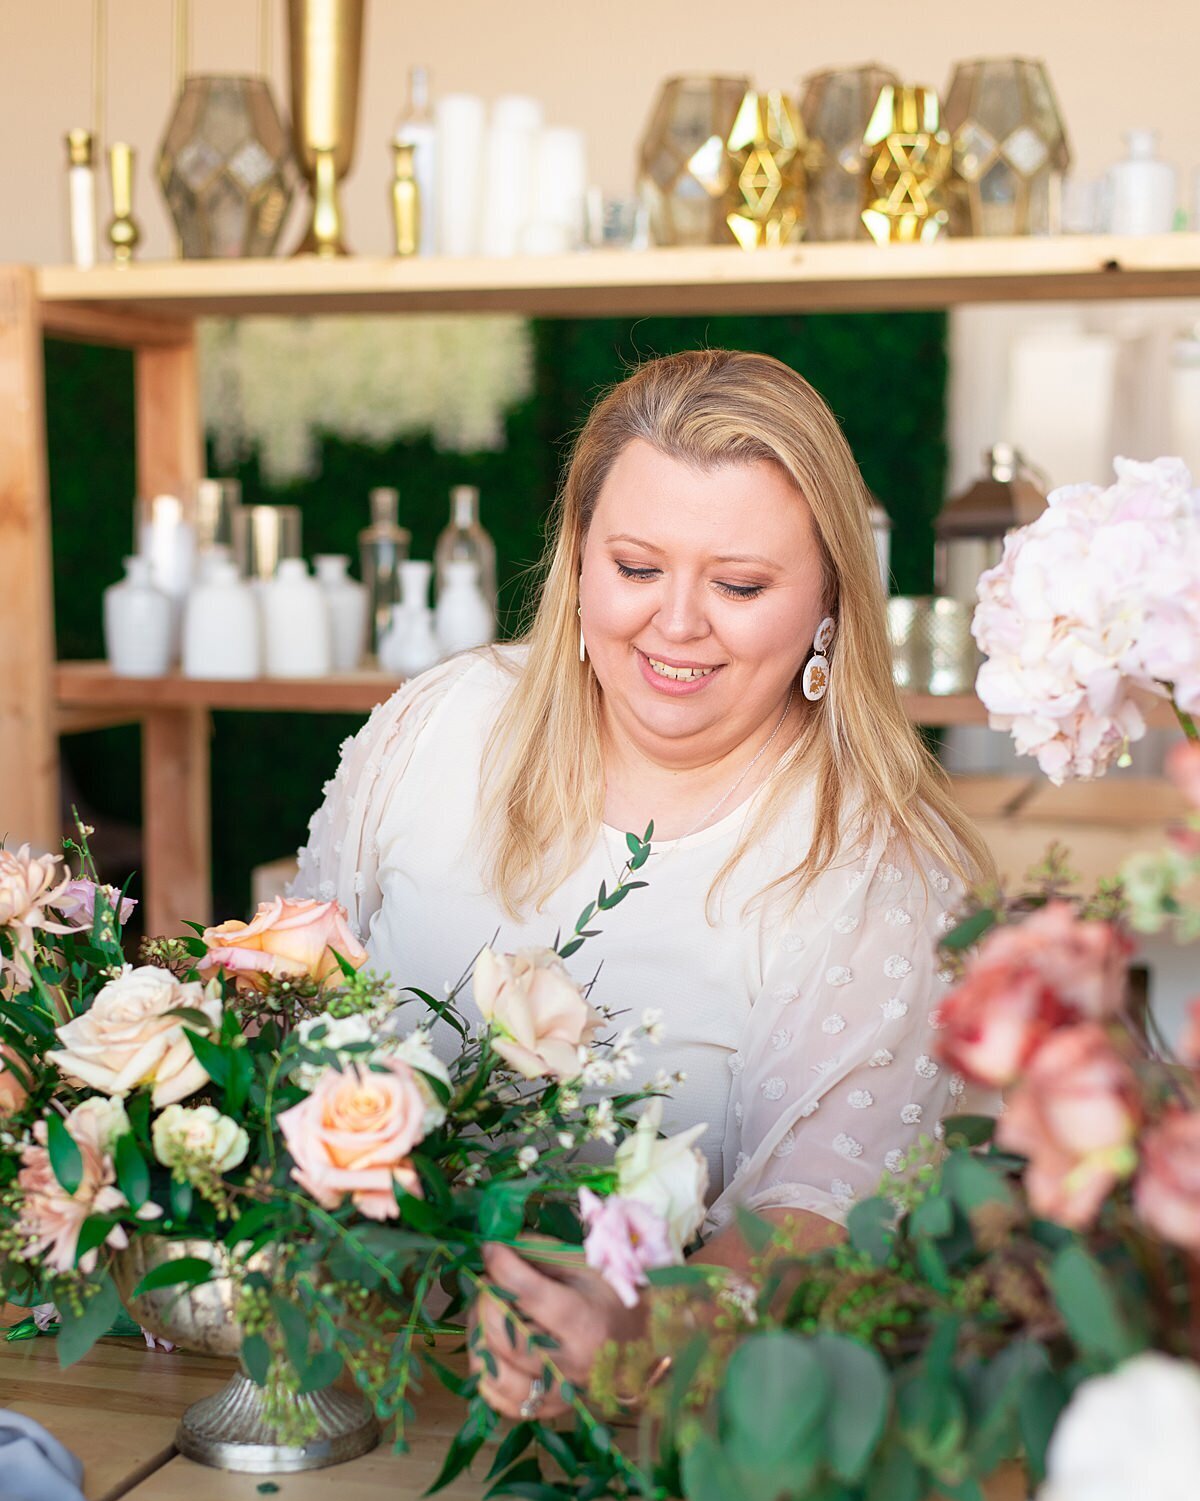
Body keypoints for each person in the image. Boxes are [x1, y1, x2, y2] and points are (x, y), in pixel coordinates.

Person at [292, 348, 990, 1421]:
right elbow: (289, 1000)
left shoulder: (877, 866)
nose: (676, 623)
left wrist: (650, 1334)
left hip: (649, 1424)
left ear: (830, 604)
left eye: (740, 584)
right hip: (332, 1370)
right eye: (635, 567)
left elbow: (819, 1219)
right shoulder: (441, 726)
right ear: (576, 562)